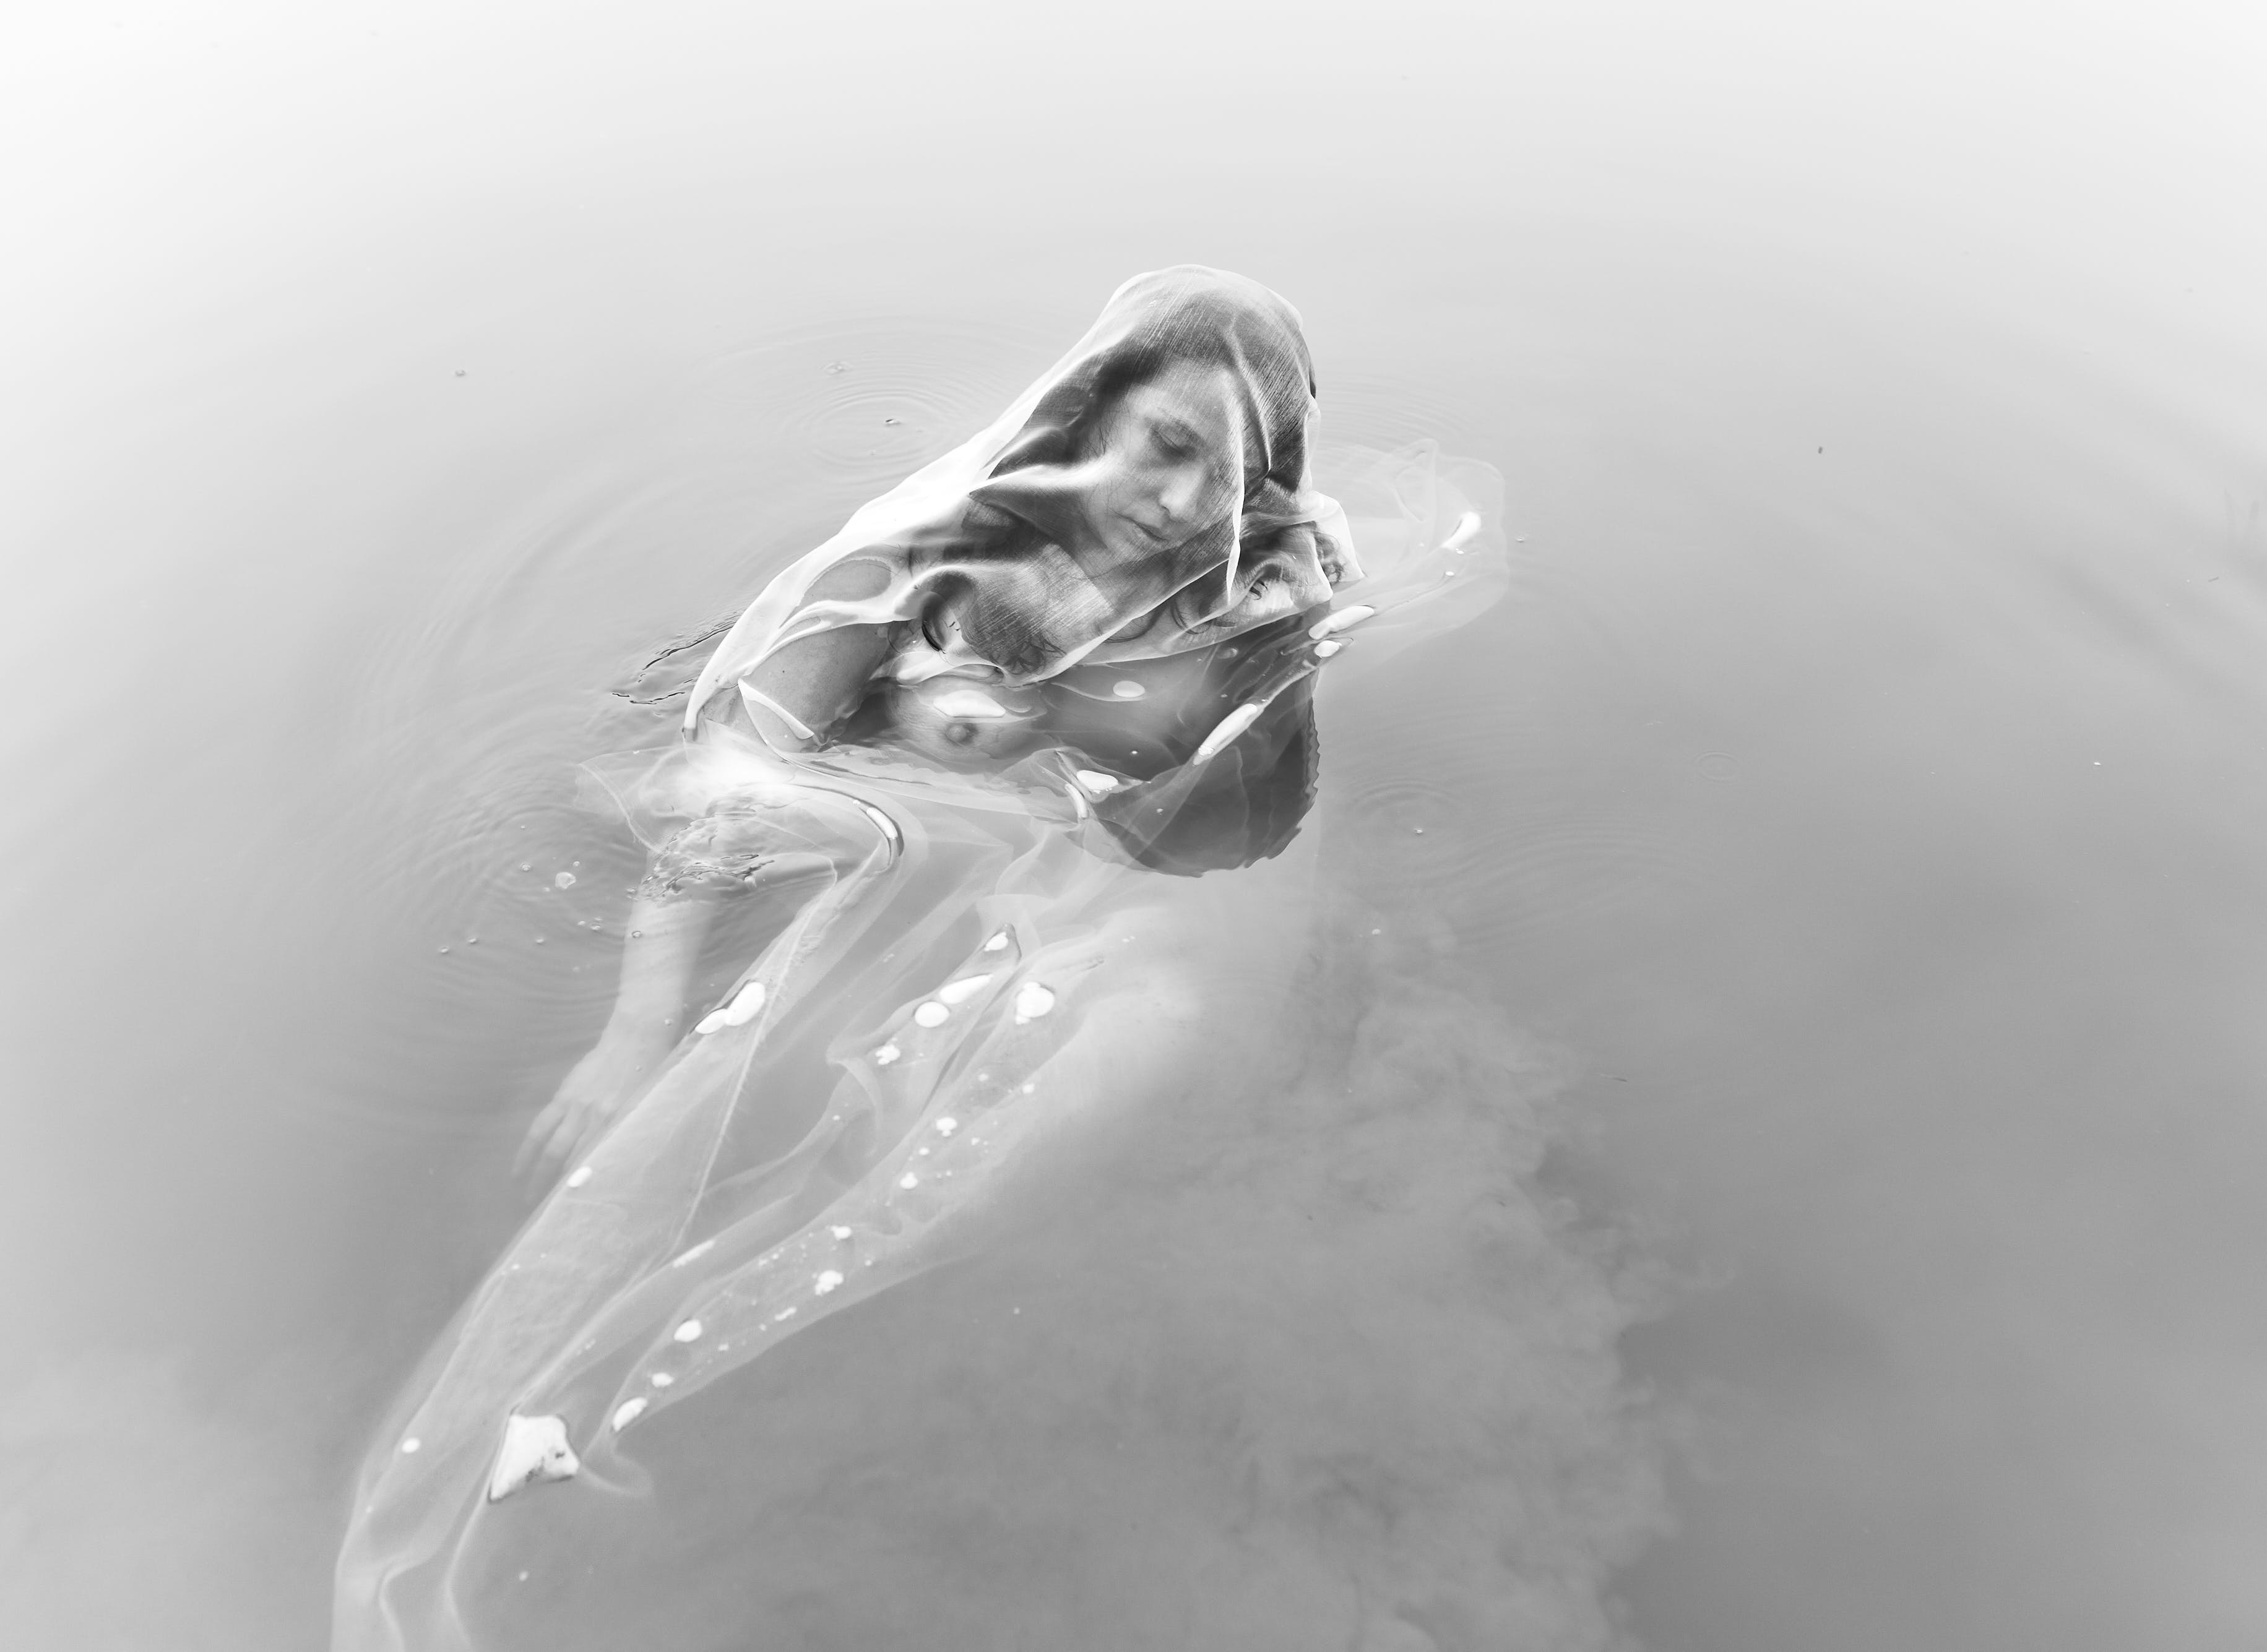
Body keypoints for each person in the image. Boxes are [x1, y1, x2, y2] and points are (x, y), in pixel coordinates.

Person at [334, 266, 1501, 1651]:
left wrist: (1292, 631)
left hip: (1051, 887)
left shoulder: (1249, 583)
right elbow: (714, 813)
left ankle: (884, 1310)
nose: (1185, 499)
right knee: (780, 1092)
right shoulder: (911, 580)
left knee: (1154, 1028)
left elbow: (1250, 804)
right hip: (860, 866)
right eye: (1164, 445)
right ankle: (684, 1360)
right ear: (1090, 415)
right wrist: (632, 1032)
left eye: (1228, 470)